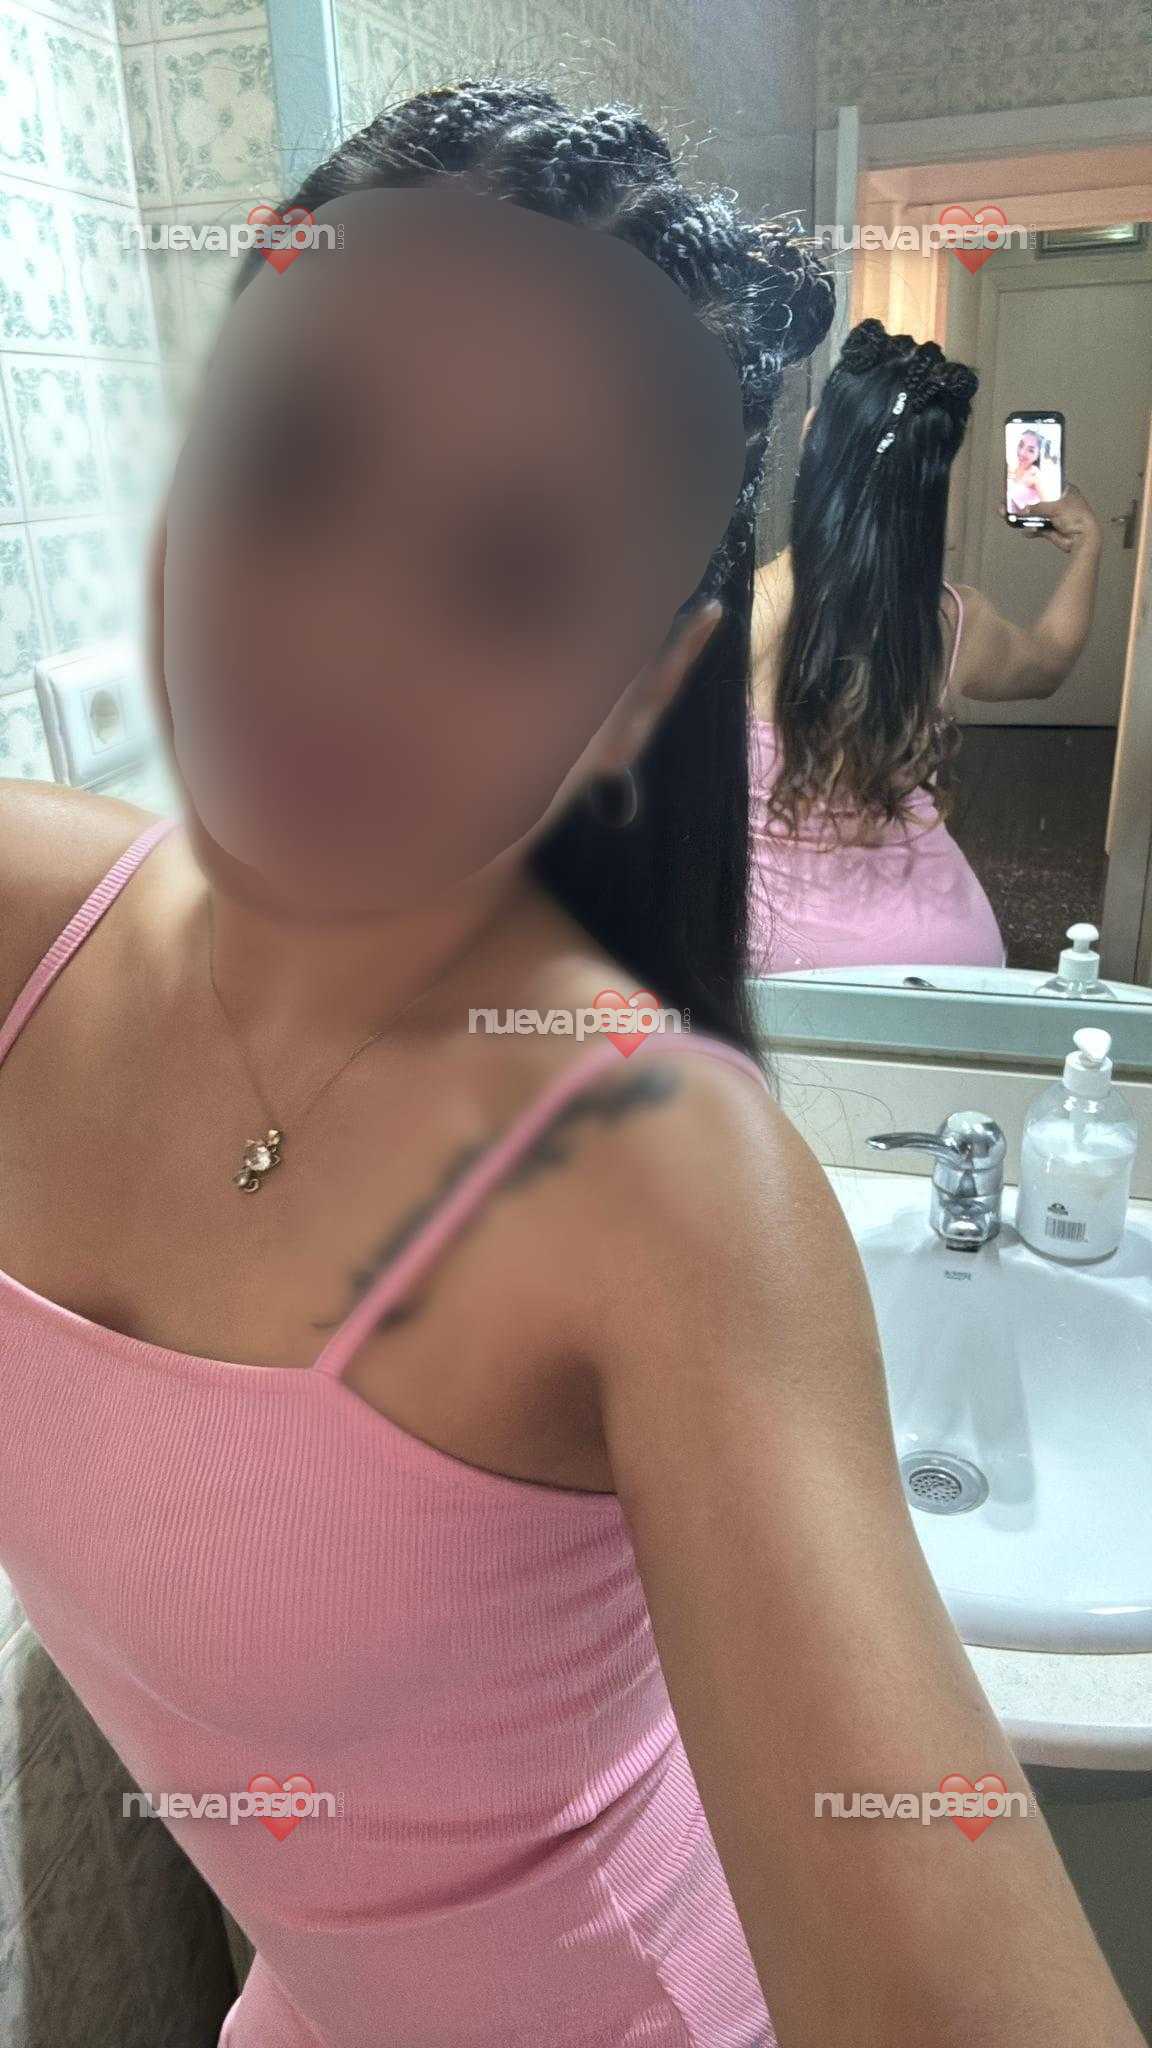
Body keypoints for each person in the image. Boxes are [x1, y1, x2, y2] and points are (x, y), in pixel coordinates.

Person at [0, 83, 1141, 2048]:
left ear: (638, 692)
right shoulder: (27, 922)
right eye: (290, 454)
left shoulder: (657, 1179)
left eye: (512, 575)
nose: (341, 636)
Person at [748, 316, 1103, 976]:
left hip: (773, 960)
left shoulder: (739, 609)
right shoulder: (951, 620)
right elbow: (1048, 663)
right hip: (942, 953)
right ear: (933, 478)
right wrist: (1087, 545)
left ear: (811, 432)